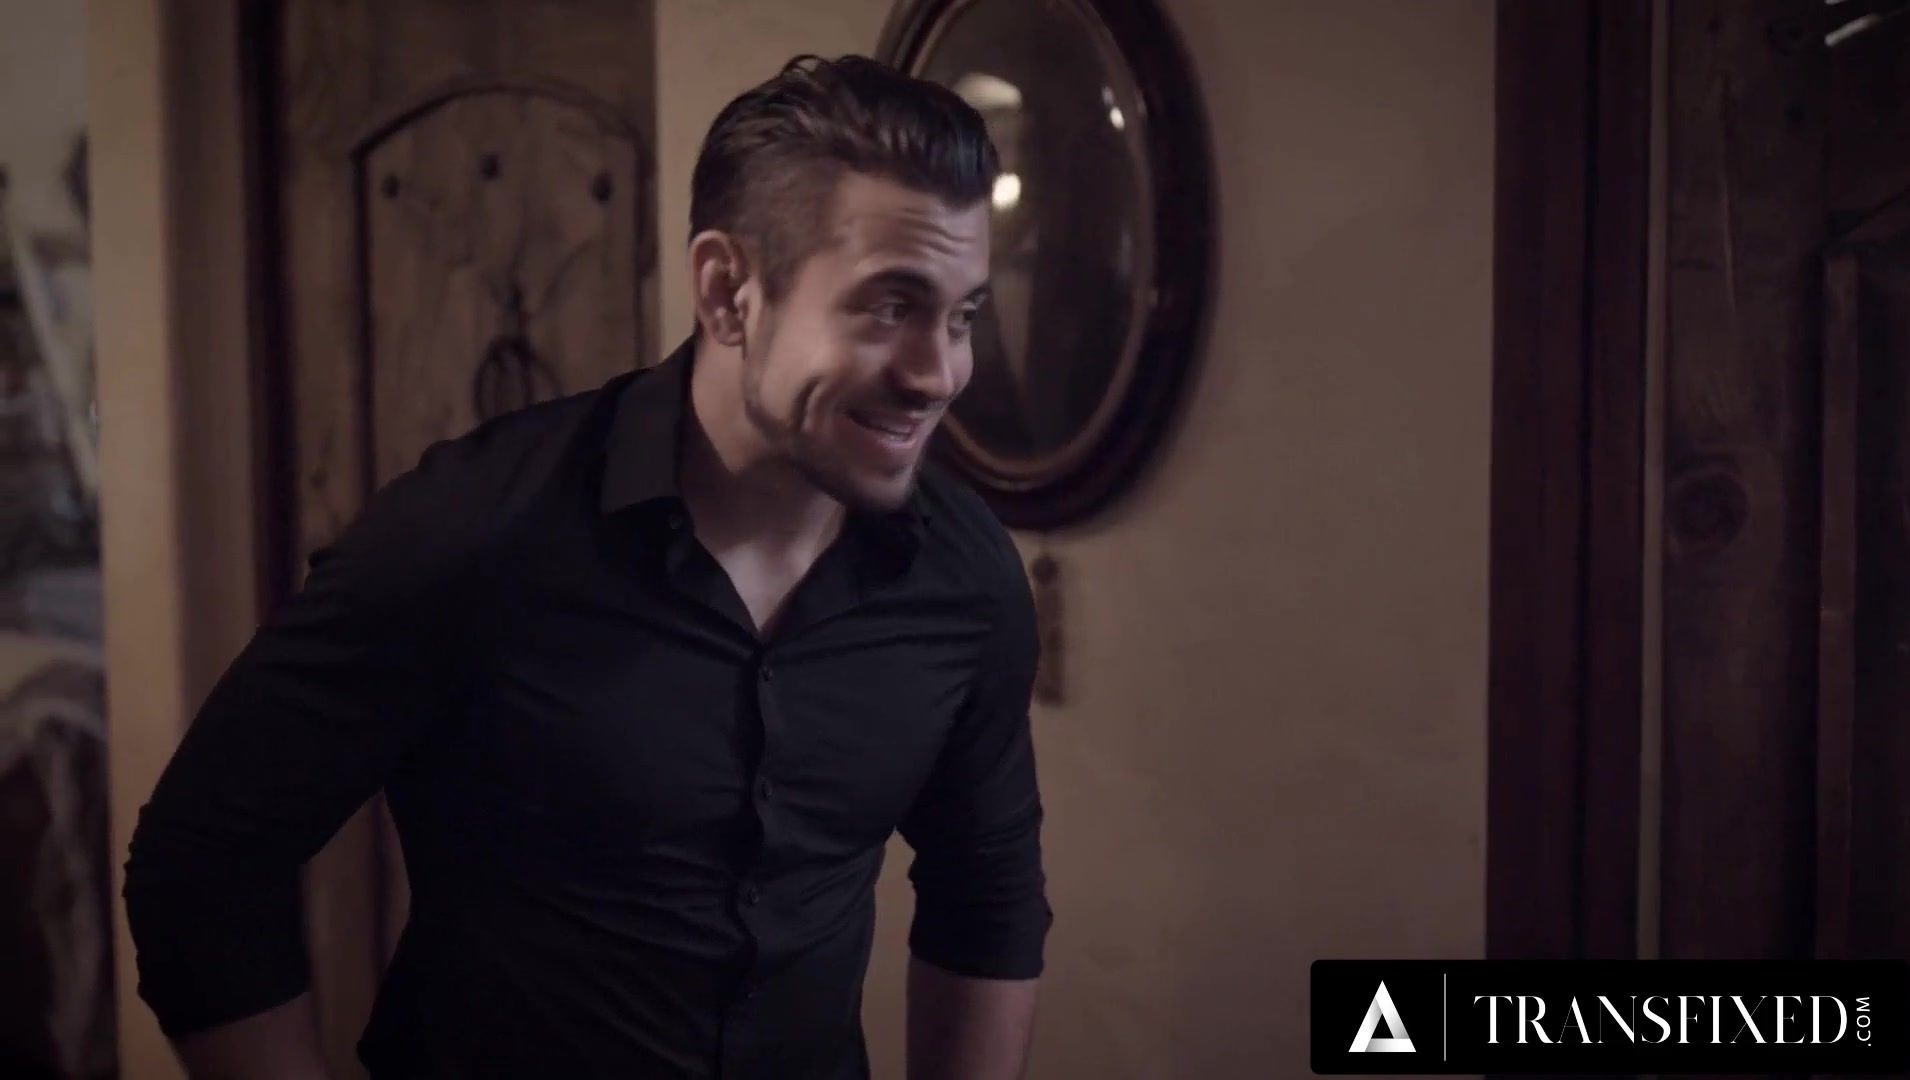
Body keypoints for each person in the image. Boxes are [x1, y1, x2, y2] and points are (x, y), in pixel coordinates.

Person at [123, 55, 1051, 1079]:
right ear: (728, 291)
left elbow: (986, 897)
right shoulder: (472, 534)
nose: (938, 373)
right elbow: (199, 866)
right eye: (888, 307)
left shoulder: (965, 581)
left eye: (961, 315)